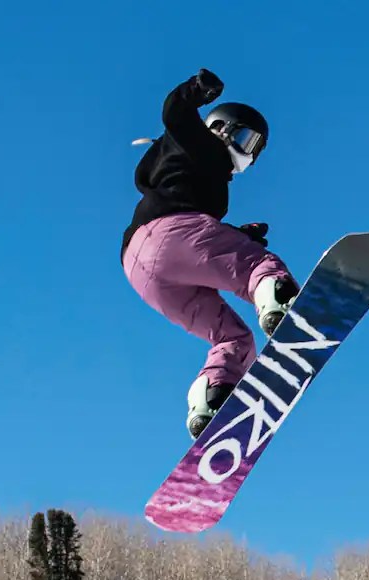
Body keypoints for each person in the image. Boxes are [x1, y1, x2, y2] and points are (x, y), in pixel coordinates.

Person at [123, 68, 298, 438]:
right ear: (222, 127)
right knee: (259, 265)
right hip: (168, 234)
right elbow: (175, 113)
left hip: (143, 269)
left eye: (255, 148)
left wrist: (234, 234)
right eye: (246, 139)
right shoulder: (197, 140)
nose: (247, 153)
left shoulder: (199, 170)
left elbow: (198, 236)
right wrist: (197, 90)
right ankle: (278, 303)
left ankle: (211, 400)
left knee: (233, 338)